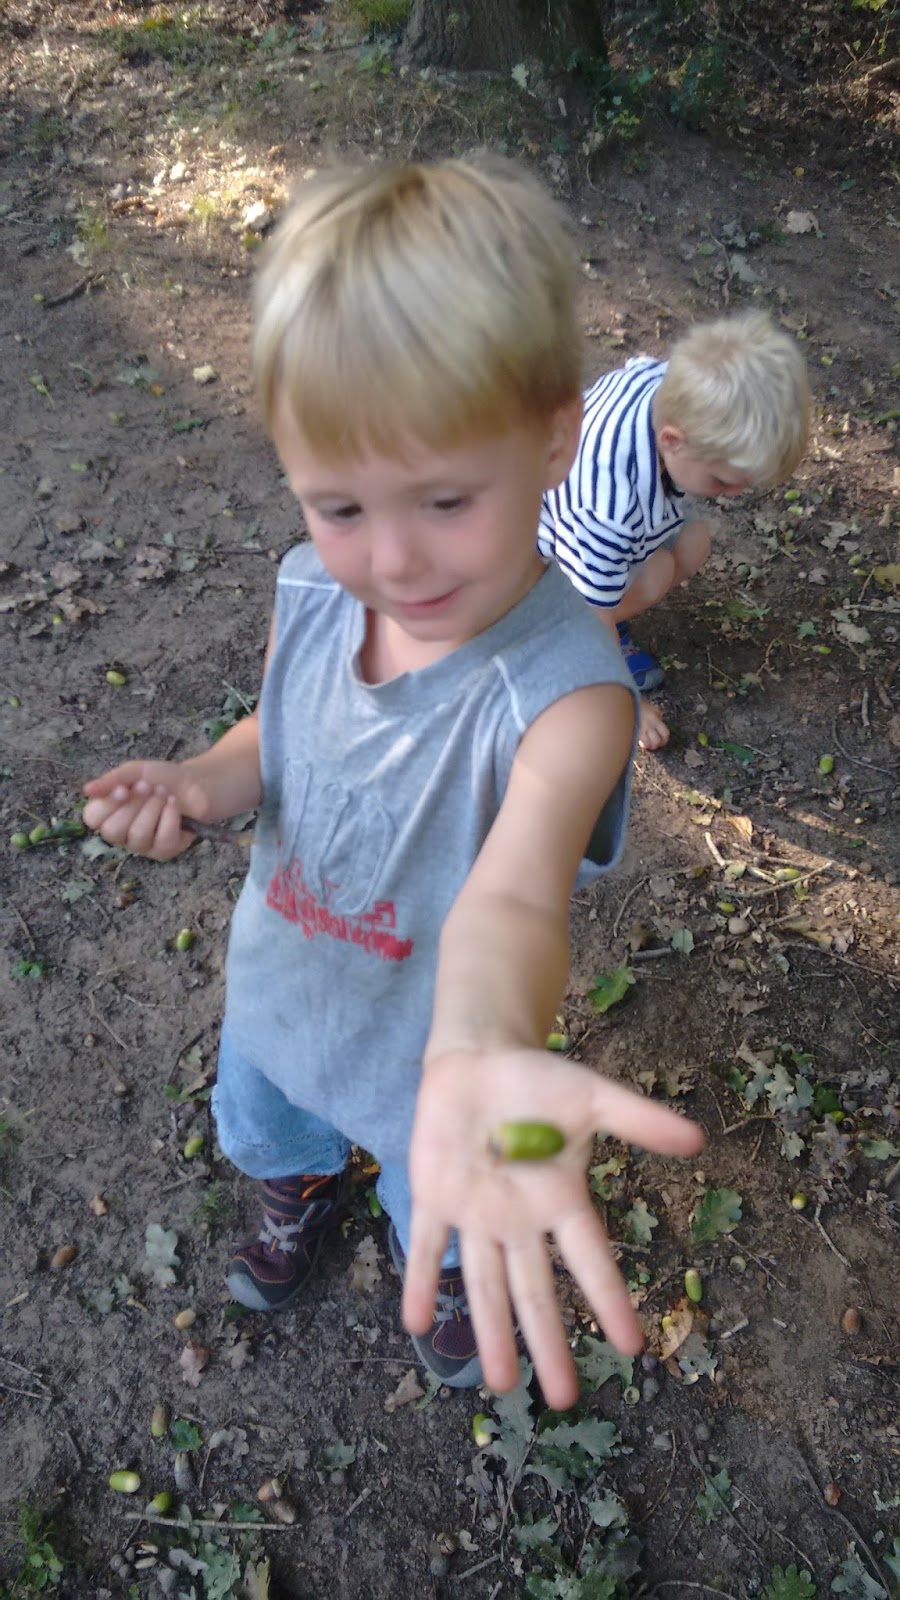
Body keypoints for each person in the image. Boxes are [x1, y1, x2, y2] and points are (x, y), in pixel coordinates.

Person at [82, 159, 702, 1411]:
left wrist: (479, 1046)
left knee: (448, 1188)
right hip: (287, 984)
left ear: (555, 437)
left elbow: (517, 896)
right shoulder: (313, 591)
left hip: (439, 1053)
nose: (395, 558)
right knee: (275, 1115)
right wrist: (202, 781)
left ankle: (453, 1263)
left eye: (446, 498)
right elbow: (276, 731)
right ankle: (301, 1182)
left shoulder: (570, 697)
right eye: (340, 505)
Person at [538, 312, 810, 750]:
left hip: (576, 526)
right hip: (537, 572)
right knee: (658, 571)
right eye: (722, 481)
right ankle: (553, 644)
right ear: (672, 440)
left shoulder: (669, 386)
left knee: (693, 542)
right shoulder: (609, 507)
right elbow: (590, 614)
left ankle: (605, 604)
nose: (735, 494)